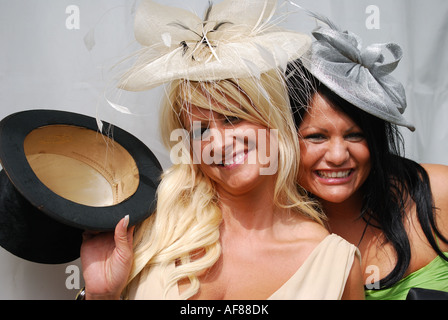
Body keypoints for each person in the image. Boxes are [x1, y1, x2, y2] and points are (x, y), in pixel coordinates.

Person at [80, 0, 364, 300]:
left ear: (274, 120)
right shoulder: (149, 231)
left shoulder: (335, 264)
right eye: (200, 131)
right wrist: (101, 295)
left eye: (233, 118)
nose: (218, 143)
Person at [287, 16, 448, 300]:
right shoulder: (273, 231)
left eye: (355, 135)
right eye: (316, 137)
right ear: (285, 139)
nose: (338, 156)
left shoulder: (439, 192)